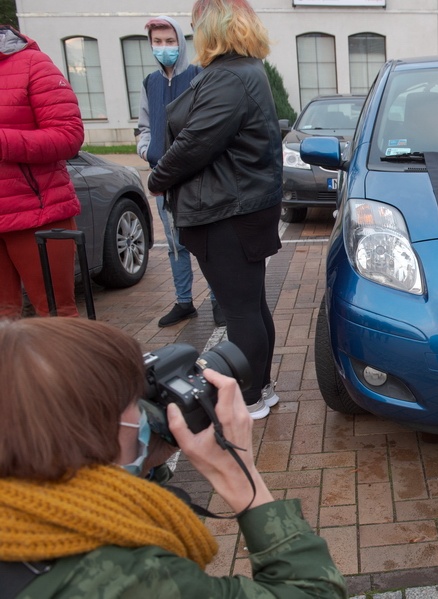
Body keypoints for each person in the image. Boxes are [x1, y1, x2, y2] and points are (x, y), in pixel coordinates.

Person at [0, 317, 348, 598]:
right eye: (133, 399)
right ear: (89, 433)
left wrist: (144, 460)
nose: (145, 411)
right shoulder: (124, 576)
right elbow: (315, 592)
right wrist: (241, 476)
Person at [148, 0, 282, 419]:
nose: (190, 36)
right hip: (236, 207)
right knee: (251, 306)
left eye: (193, 27)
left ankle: (250, 398)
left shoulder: (229, 77)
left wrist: (155, 179)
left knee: (241, 311)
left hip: (225, 212)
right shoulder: (241, 71)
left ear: (213, 28)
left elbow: (194, 144)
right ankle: (261, 389)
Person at [137, 16, 224, 328]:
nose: (164, 48)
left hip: (195, 179)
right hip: (163, 180)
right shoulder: (151, 83)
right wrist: (147, 151)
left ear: (181, 42)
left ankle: (217, 300)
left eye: (169, 41)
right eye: (157, 42)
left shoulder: (198, 75)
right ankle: (184, 301)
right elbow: (144, 126)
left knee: (204, 243)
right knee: (175, 245)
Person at [0, 25, 84, 319]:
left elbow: (69, 135)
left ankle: (72, 368)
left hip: (36, 213)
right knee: (3, 321)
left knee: (55, 316)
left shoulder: (32, 63)